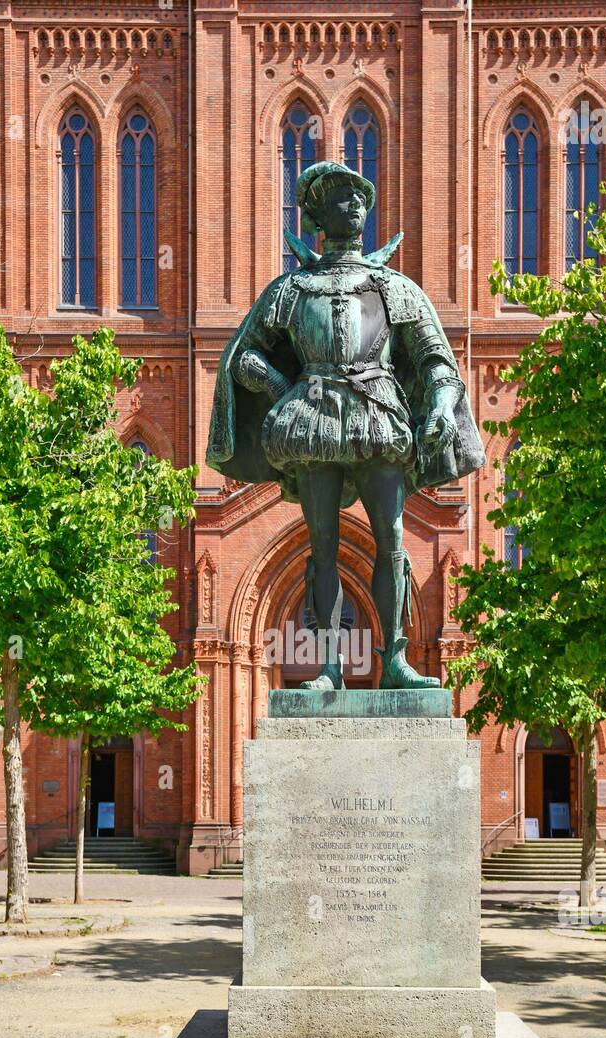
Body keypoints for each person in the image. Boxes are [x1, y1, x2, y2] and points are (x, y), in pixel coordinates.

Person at [206, 160, 486, 690]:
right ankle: (330, 667)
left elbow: (436, 364)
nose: (354, 203)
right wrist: (282, 388)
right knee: (324, 544)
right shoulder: (292, 288)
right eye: (339, 196)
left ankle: (396, 661)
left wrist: (444, 408)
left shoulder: (394, 288)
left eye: (360, 196)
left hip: (378, 417)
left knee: (392, 538)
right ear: (316, 214)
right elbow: (244, 356)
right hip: (312, 423)